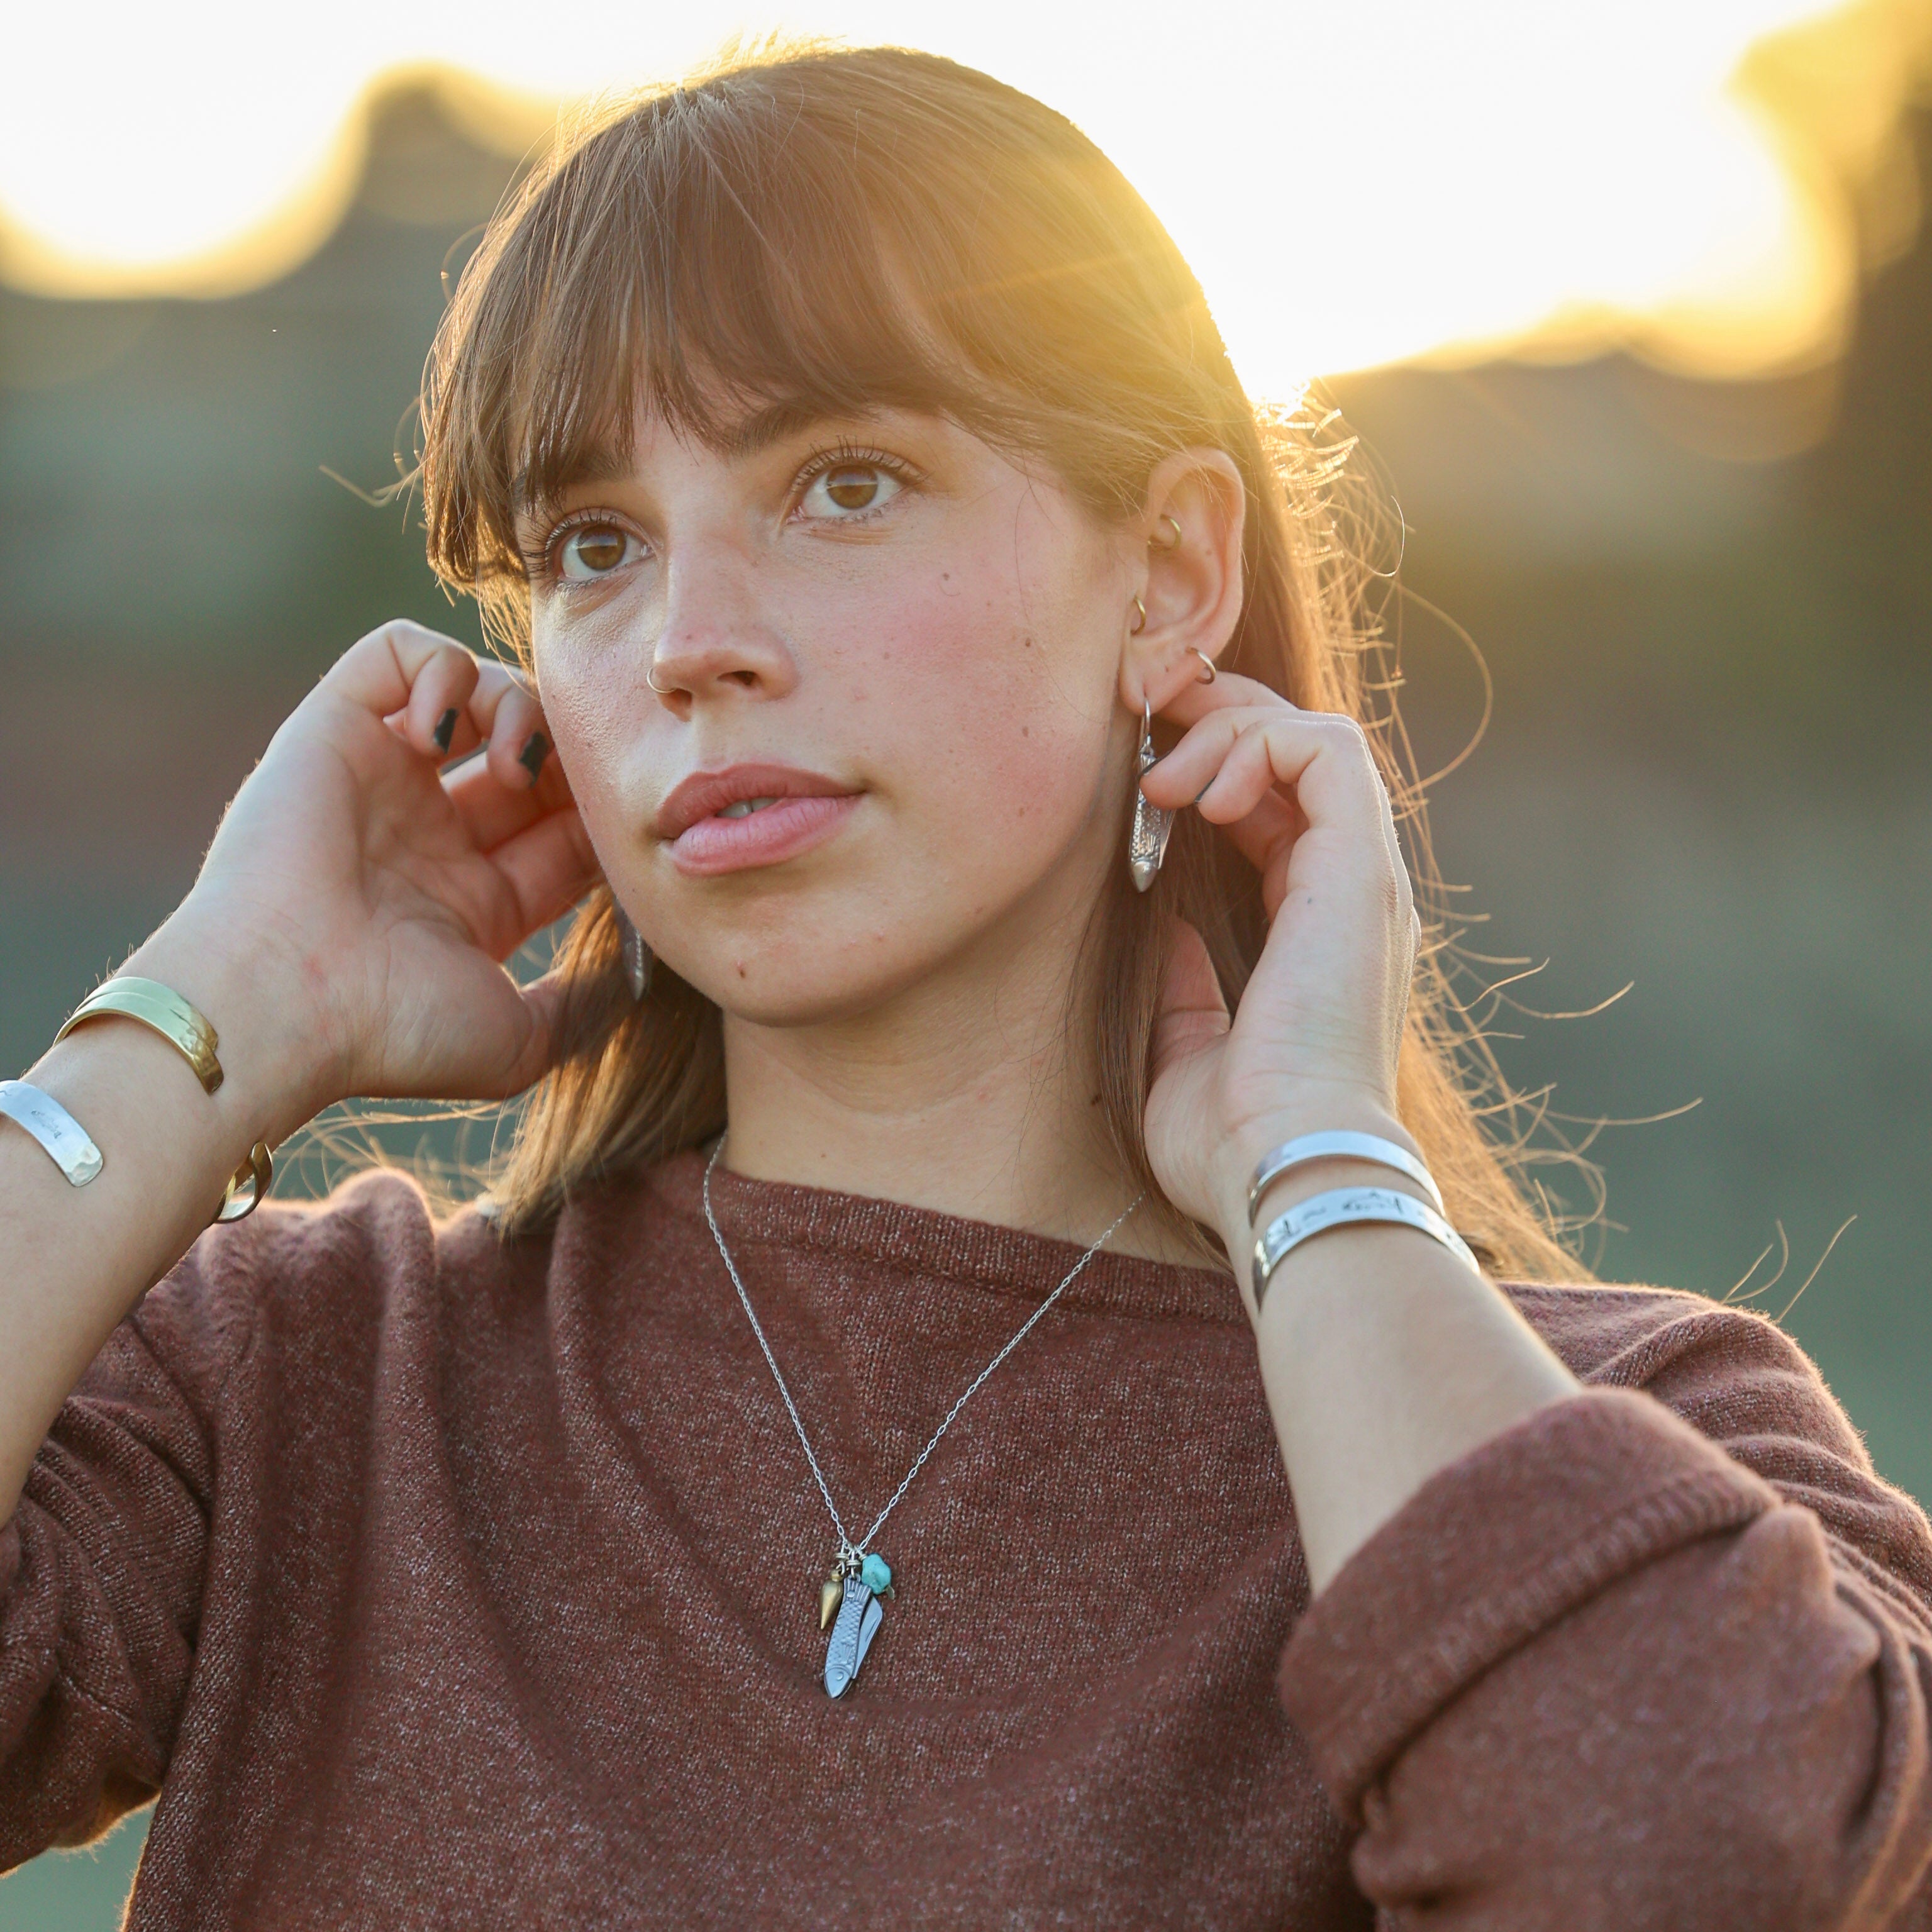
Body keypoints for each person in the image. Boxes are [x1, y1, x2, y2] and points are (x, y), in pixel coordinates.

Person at [3, 44, 1928, 1929]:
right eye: (596, 546)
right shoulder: (309, 1381)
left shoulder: (1627, 1447)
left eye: (844, 484)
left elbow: (1696, 1867)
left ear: (1168, 574)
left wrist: (1320, 1176)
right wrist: (208, 1012)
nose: (686, 644)